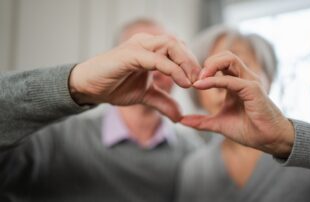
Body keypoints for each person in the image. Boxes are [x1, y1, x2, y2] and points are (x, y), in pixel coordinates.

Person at [0, 19, 202, 202]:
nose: (155, 69)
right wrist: (75, 84)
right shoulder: (54, 139)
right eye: (144, 56)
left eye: (167, 57)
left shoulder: (193, 156)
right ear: (116, 64)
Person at [177, 26, 310, 202]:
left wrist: (289, 139)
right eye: (206, 71)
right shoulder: (193, 169)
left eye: (237, 66)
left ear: (269, 78)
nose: (221, 82)